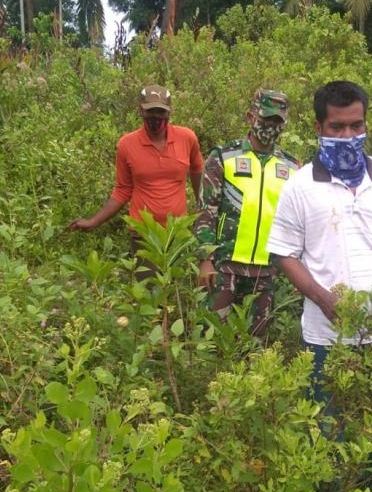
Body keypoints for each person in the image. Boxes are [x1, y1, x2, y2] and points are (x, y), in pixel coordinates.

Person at [267, 80, 372, 487]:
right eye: (337, 127)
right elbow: (284, 253)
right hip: (328, 339)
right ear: (318, 127)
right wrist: (323, 299)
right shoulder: (301, 185)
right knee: (330, 437)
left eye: (356, 126)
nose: (347, 136)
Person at [195, 89, 300, 337]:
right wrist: (205, 258)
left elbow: (296, 223)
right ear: (250, 117)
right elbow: (205, 210)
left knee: (256, 347)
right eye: (265, 120)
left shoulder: (292, 167)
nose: (271, 127)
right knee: (213, 339)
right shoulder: (224, 156)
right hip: (224, 265)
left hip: (266, 270)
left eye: (277, 122)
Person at [69, 83, 204, 270]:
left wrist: (202, 206)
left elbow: (198, 171)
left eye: (161, 112)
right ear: (141, 111)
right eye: (150, 112)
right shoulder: (127, 145)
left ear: (169, 112)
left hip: (177, 231)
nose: (156, 118)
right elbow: (123, 190)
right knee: (149, 291)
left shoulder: (187, 138)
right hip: (143, 233)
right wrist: (94, 221)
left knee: (176, 291)